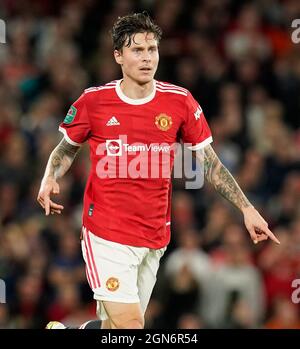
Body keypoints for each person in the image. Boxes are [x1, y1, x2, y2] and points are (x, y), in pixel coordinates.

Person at [37, 12, 280, 330]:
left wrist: (247, 209)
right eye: (137, 50)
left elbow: (211, 164)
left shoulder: (179, 102)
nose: (147, 57)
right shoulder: (94, 102)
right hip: (106, 234)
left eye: (152, 49)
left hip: (154, 237)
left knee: (116, 330)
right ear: (118, 56)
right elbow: (66, 149)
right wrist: (49, 176)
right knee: (130, 328)